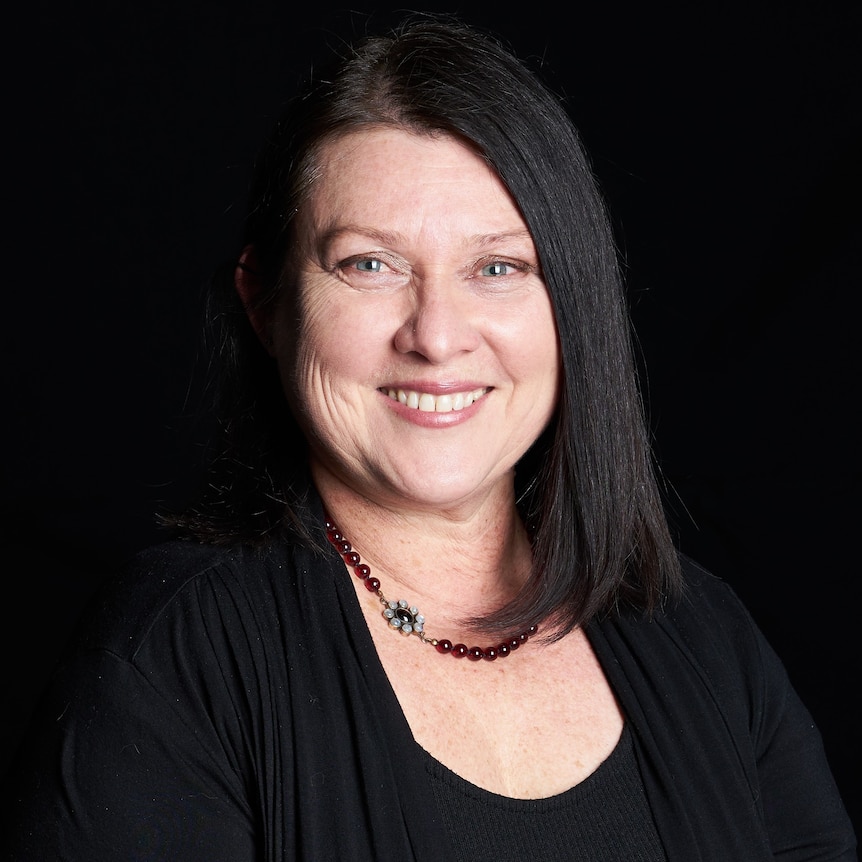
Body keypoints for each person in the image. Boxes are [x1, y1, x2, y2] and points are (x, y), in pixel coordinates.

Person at [3, 12, 856, 861]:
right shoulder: (176, 660)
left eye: (498, 268)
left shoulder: (703, 637)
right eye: (370, 264)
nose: (437, 335)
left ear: (575, 305)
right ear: (266, 304)